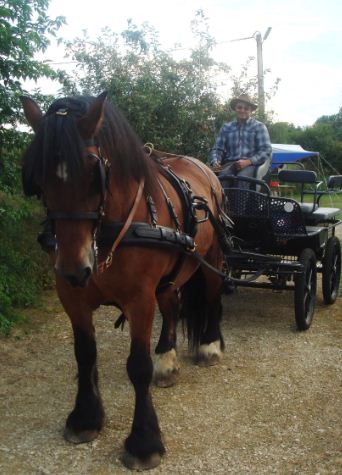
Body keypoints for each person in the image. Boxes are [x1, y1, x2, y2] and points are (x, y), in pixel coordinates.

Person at [209, 93, 272, 187]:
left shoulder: (259, 127)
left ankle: (240, 202)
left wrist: (249, 161)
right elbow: (217, 148)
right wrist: (215, 160)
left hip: (251, 165)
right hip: (230, 164)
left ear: (251, 110)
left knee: (242, 177)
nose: (242, 110)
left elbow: (266, 150)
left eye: (246, 108)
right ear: (235, 108)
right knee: (223, 177)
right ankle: (223, 202)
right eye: (239, 107)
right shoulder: (226, 128)